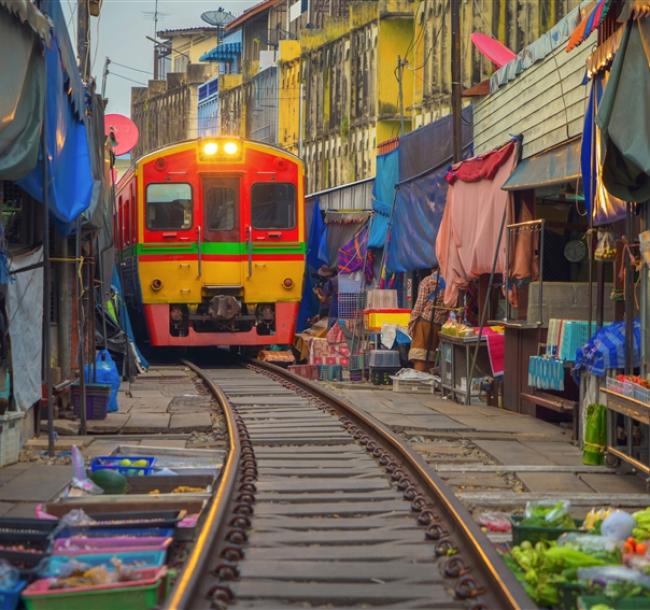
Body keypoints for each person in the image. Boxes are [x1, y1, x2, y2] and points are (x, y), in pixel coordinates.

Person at [408, 267, 445, 372]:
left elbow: (419, 305)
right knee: (432, 356)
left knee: (420, 355)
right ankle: (429, 381)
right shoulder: (451, 282)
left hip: (424, 322)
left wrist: (412, 322)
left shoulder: (427, 281)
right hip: (439, 324)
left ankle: (419, 383)